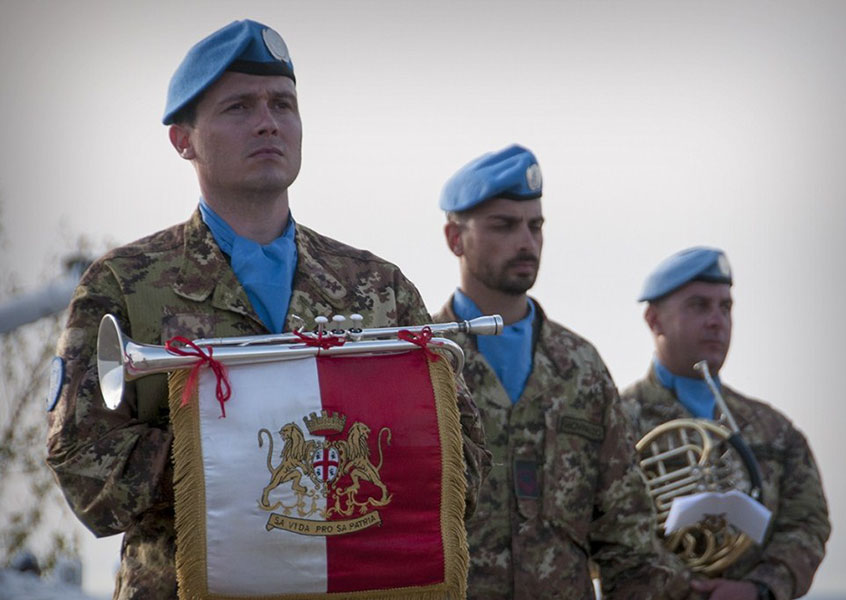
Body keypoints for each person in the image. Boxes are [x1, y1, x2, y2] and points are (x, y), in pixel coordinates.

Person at [45, 20, 489, 599]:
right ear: (184, 140)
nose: (268, 122)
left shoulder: (380, 287)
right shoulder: (125, 284)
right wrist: (226, 448)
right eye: (238, 108)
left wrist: (377, 440)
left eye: (284, 104)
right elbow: (80, 466)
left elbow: (468, 468)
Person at [433, 144, 690, 599]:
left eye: (535, 226)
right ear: (455, 238)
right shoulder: (426, 359)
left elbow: (627, 537)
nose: (526, 242)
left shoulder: (581, 368)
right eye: (504, 225)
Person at [620, 247, 831, 600]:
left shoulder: (776, 431)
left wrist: (759, 587)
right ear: (654, 320)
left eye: (725, 307)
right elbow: (601, 530)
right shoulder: (615, 420)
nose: (717, 320)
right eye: (699, 306)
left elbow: (808, 523)